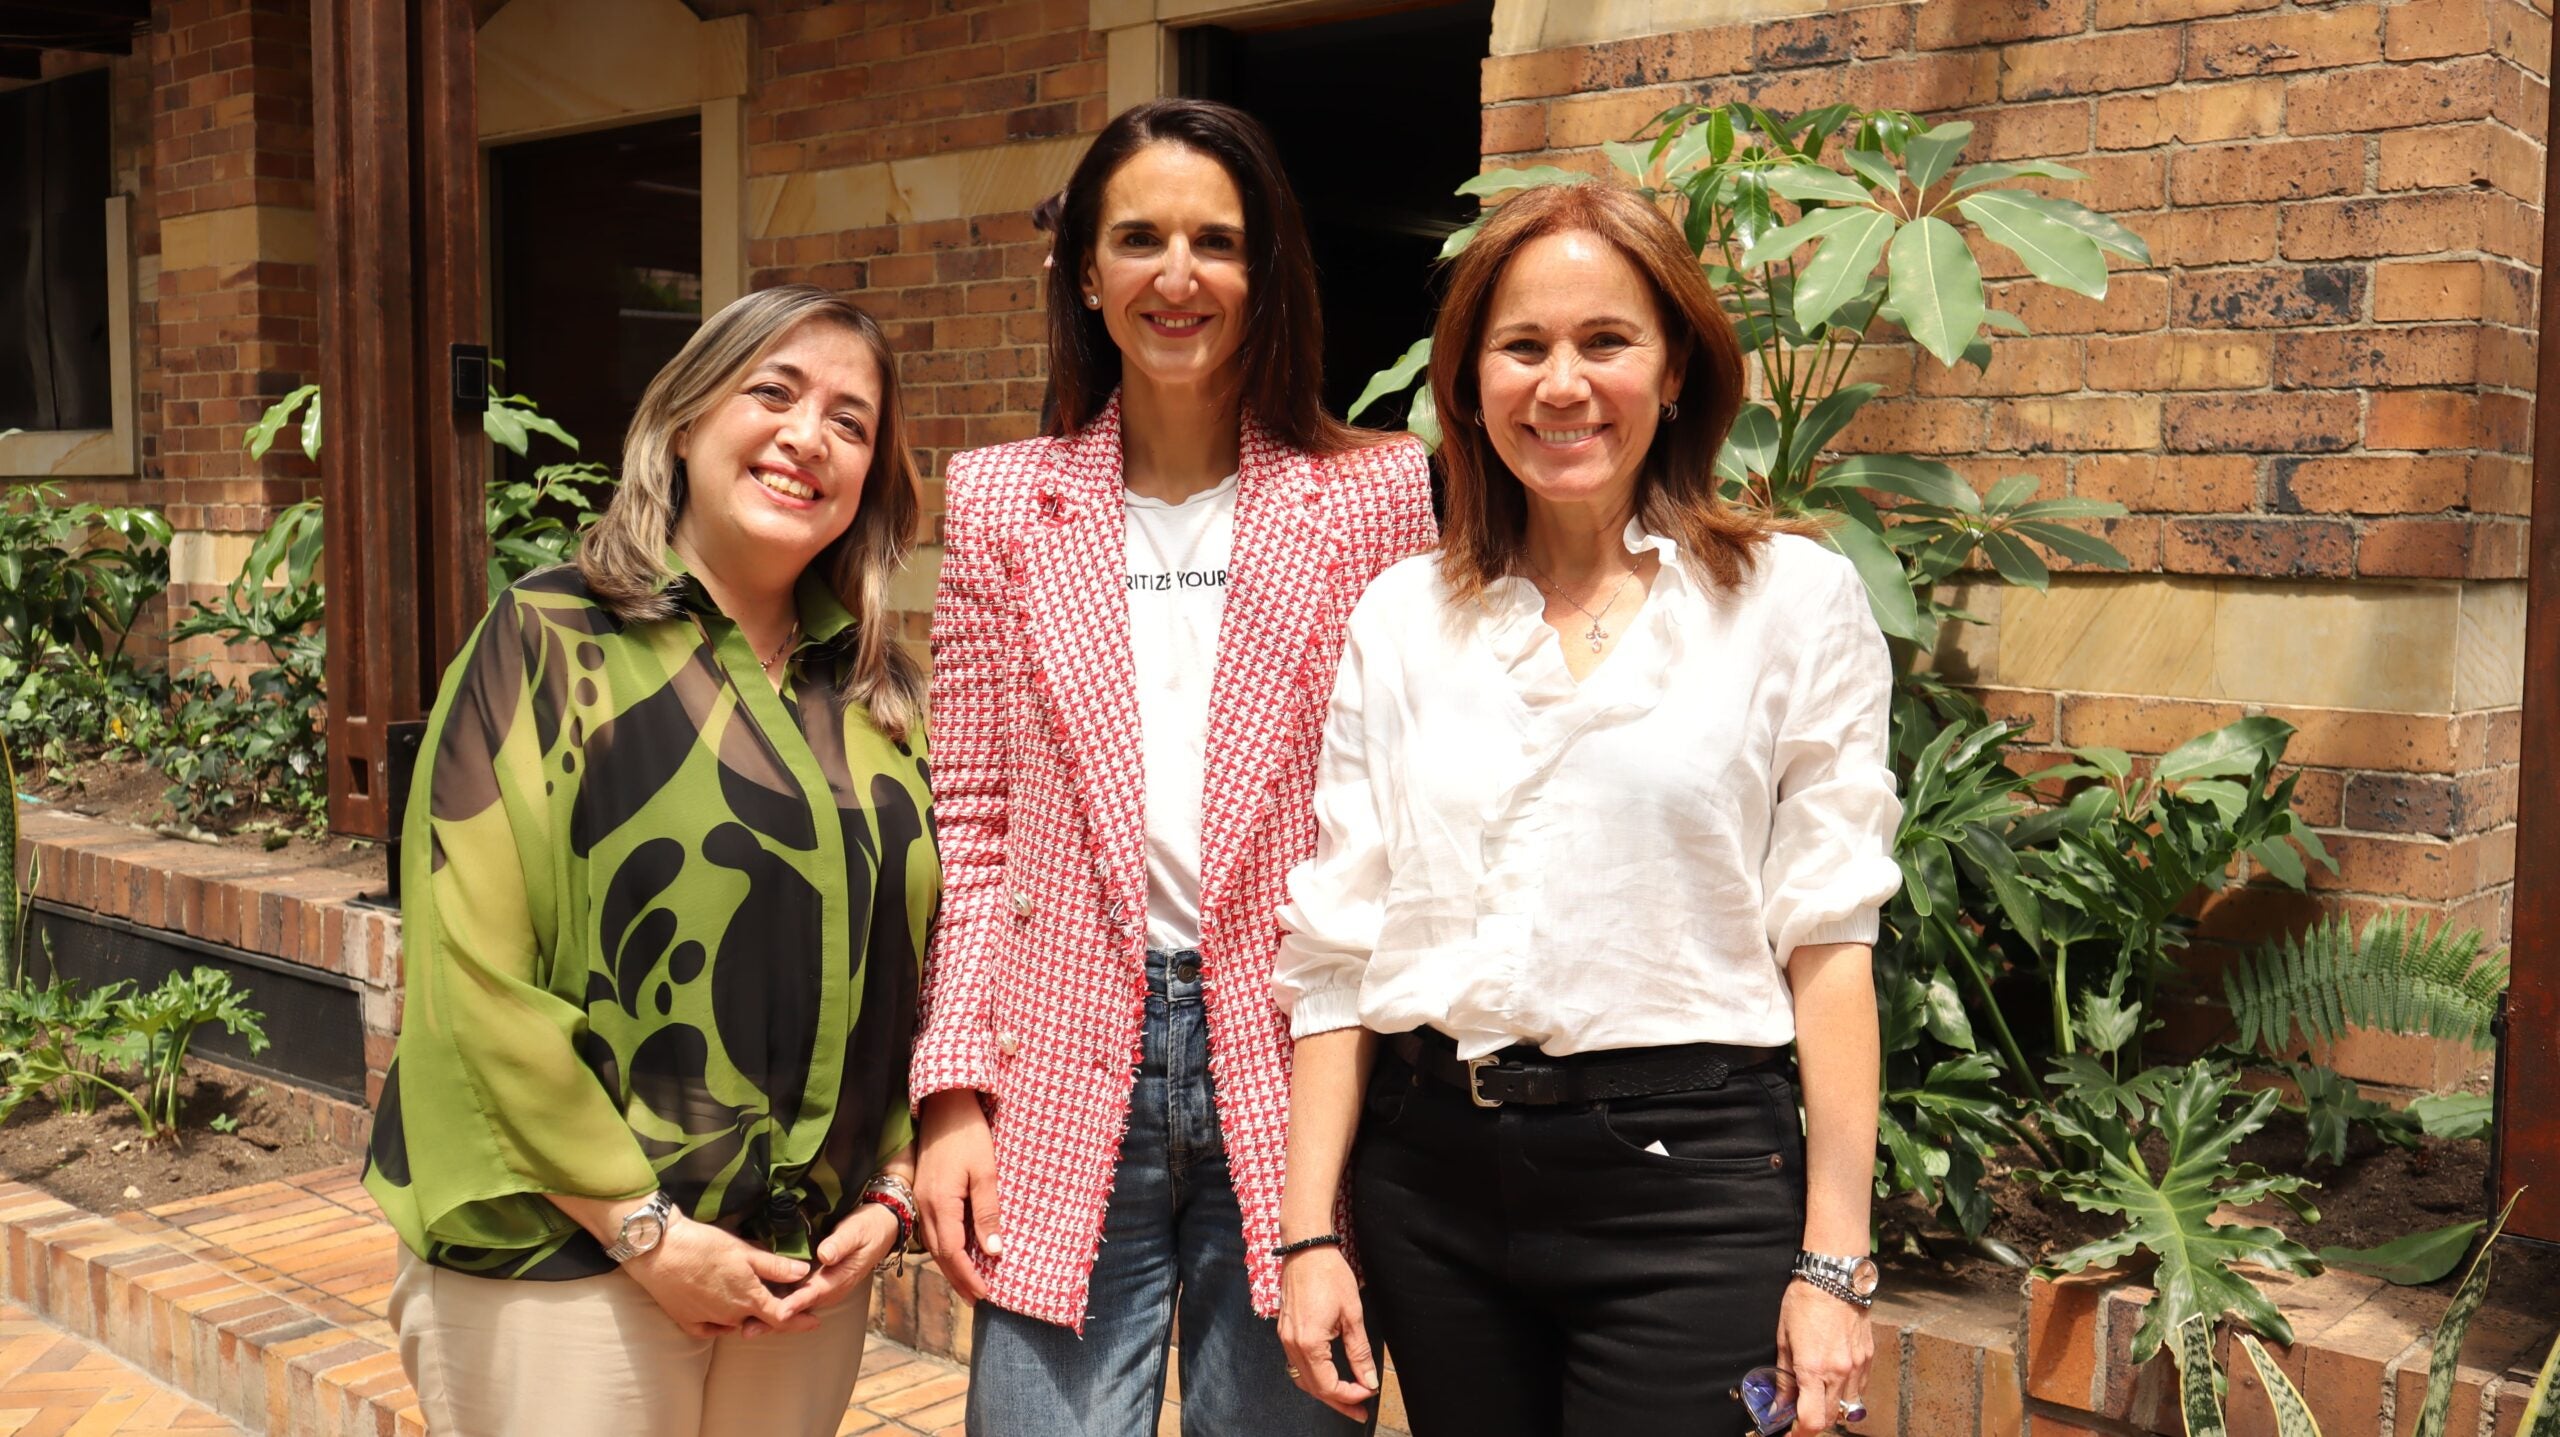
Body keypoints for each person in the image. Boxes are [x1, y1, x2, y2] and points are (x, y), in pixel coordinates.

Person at [1270, 180, 1903, 1437]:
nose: (1562, 385)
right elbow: (1340, 948)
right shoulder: (1403, 618)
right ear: (1468, 383)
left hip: (1695, 1187)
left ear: (1675, 371)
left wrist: (1833, 1263)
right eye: (1523, 347)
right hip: (1433, 1187)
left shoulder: (1791, 603)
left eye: (1605, 342)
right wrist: (1305, 1241)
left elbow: (1829, 943)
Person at [911, 98, 1437, 1437]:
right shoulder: (1002, 501)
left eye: (1218, 240)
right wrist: (953, 1093)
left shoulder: (1375, 494)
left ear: (1266, 274)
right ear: (1086, 273)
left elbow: (1411, 807)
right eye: (1138, 238)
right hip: (1061, 1047)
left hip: (1298, 1048)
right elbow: (972, 825)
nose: (1178, 275)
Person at [363, 284, 939, 1437]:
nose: (806, 437)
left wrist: (893, 1186)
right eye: (772, 392)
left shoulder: (873, 694)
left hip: (801, 1274)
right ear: (683, 420)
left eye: (850, 420)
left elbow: (922, 965)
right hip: (567, 1259)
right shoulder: (546, 640)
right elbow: (474, 980)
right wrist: (644, 1230)